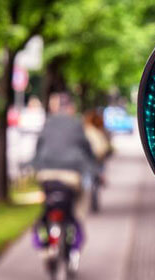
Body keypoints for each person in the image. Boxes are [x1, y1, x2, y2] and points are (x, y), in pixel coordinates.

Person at [31, 92, 100, 260]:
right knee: (79, 204)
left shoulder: (48, 123)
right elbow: (86, 148)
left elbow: (39, 147)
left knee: (47, 203)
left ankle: (45, 243)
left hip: (46, 175)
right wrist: (93, 168)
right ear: (70, 108)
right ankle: (75, 232)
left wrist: (35, 165)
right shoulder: (76, 124)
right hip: (71, 176)